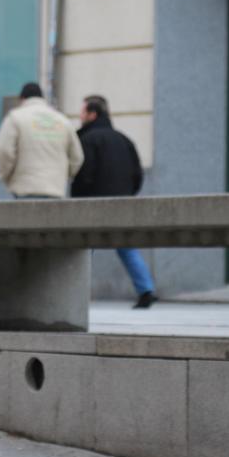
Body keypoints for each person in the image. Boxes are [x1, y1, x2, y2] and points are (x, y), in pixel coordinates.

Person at [71, 94, 158, 308]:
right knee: (127, 247)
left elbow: (84, 175)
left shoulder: (87, 140)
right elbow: (137, 174)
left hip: (92, 204)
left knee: (82, 249)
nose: (80, 116)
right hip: (122, 202)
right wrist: (129, 194)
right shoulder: (124, 139)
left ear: (92, 114)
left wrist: (77, 199)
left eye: (82, 112)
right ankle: (146, 290)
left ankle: (74, 294)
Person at [0, 82, 84, 199]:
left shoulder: (15, 118)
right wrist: (62, 175)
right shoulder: (62, 120)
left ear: (22, 99)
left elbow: (4, 150)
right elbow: (77, 157)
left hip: (24, 188)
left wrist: (5, 176)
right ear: (42, 98)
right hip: (56, 190)